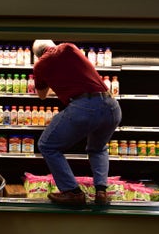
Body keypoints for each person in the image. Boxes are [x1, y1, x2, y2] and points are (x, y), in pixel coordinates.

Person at [31, 39, 122, 206]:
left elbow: (42, 95)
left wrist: (57, 86)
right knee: (98, 148)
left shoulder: (39, 65)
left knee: (47, 145)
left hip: (84, 106)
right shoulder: (68, 47)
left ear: (37, 54)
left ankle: (72, 192)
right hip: (112, 106)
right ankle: (101, 192)